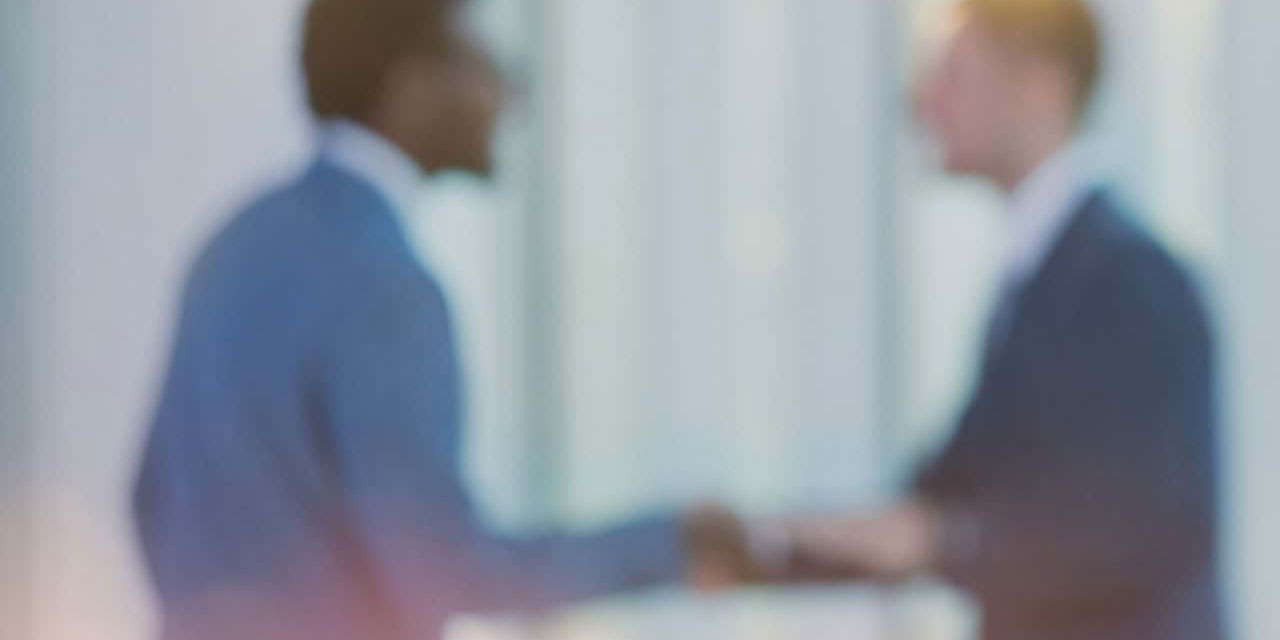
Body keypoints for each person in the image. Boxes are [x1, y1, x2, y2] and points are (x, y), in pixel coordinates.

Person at [132, 1, 704, 638]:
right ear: (412, 83)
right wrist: (674, 546)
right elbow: (445, 571)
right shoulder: (384, 283)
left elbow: (150, 500)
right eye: (483, 61)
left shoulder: (232, 244)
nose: (507, 91)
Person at [689, 1, 1224, 639]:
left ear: (1039, 87)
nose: (922, 101)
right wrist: (767, 547)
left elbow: (1149, 525)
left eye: (953, 76)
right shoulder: (1040, 278)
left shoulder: (1135, 280)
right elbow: (940, 503)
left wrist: (943, 540)